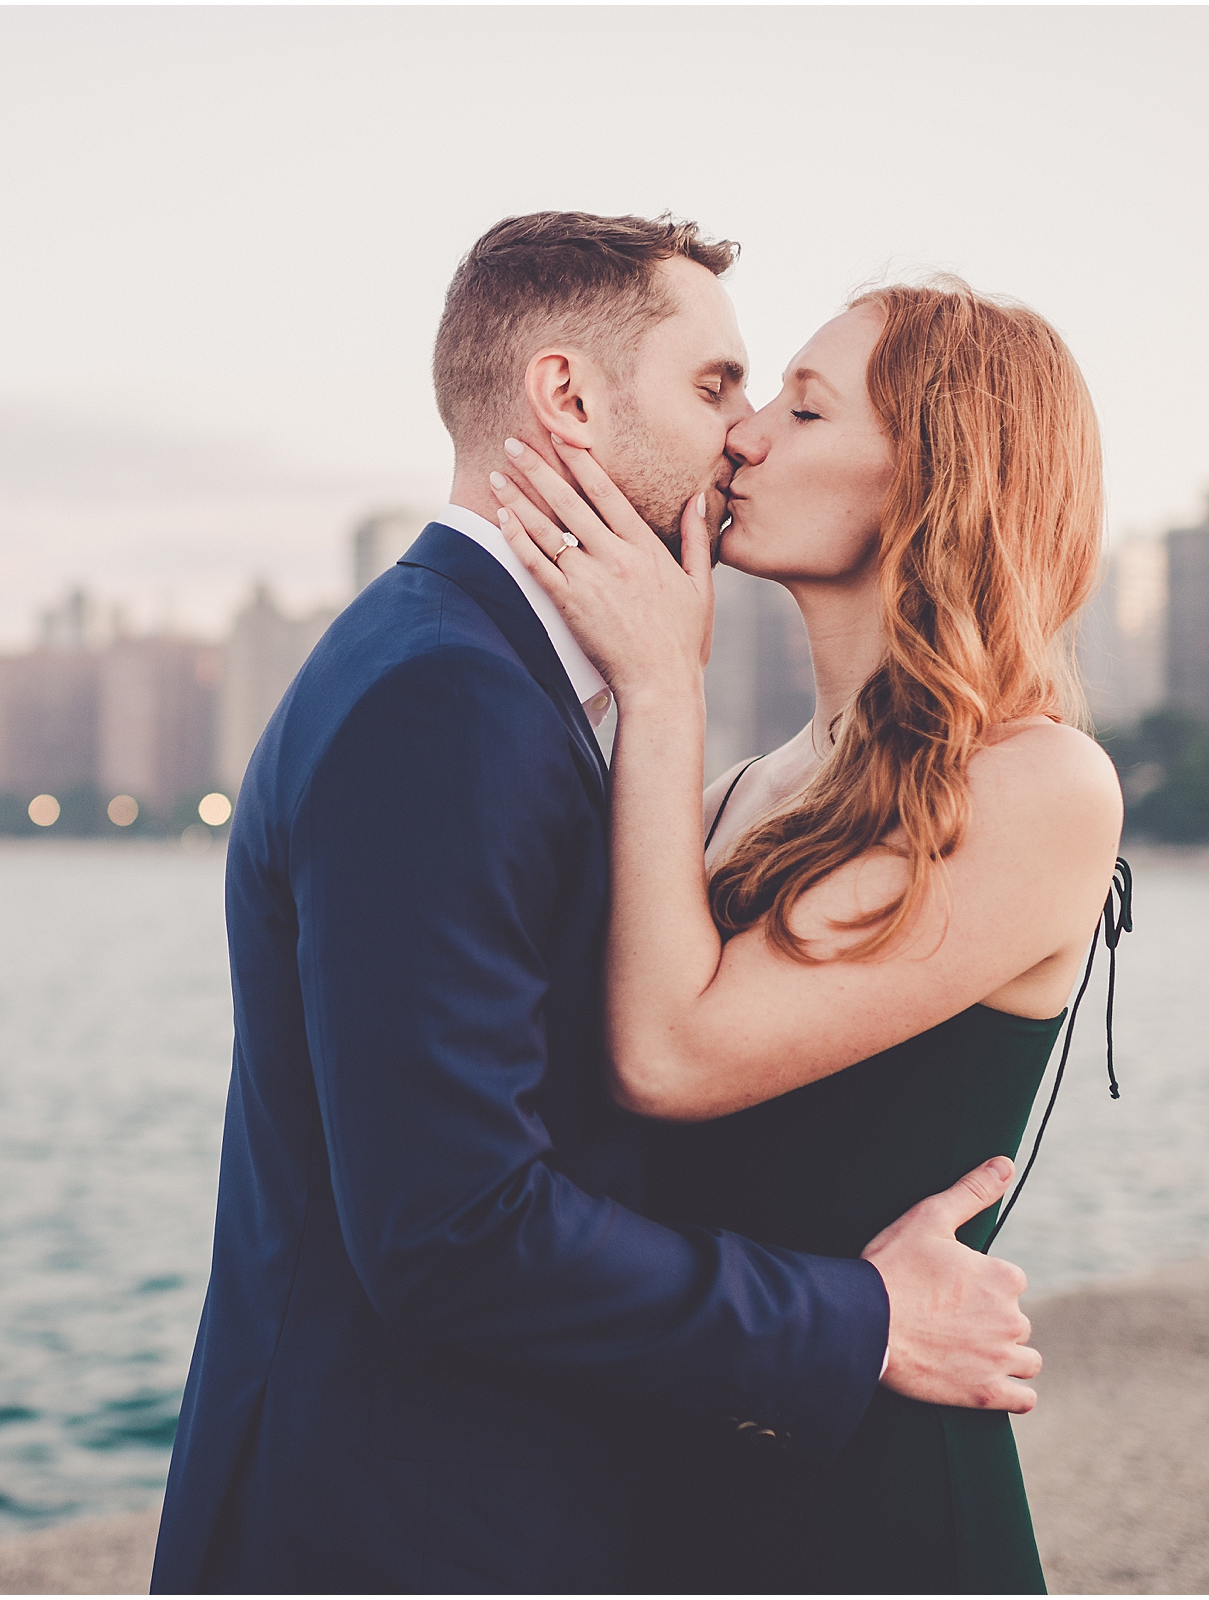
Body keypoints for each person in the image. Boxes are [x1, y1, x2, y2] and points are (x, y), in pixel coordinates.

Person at [150, 215, 1043, 1597]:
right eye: (719, 388)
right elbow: (455, 1221)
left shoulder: (494, 682)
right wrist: (858, 1315)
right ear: (566, 397)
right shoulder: (447, 696)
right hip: (407, 1531)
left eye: (784, 402)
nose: (743, 435)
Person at [487, 278, 1123, 1592]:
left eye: (804, 405)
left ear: (929, 476)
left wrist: (668, 681)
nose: (745, 436)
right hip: (672, 1483)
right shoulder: (742, 790)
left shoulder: (1041, 782)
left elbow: (672, 1059)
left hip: (868, 1511)